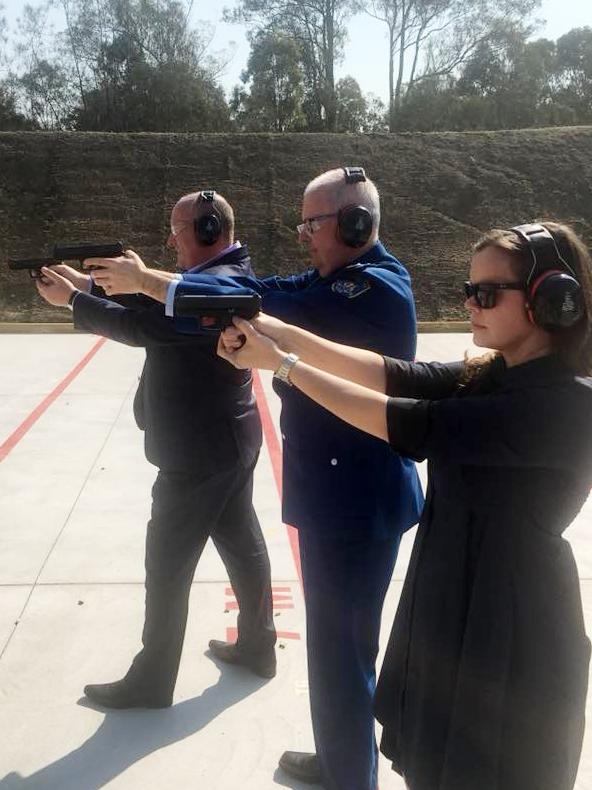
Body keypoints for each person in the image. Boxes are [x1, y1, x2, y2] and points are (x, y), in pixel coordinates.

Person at [217, 220, 592, 790]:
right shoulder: (494, 375)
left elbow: (407, 422)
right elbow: (395, 375)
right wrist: (270, 329)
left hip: (512, 624)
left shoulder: (564, 405)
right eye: (470, 290)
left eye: (487, 293)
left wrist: (282, 366)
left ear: (550, 300)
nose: (471, 303)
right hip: (454, 597)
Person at [82, 167, 424, 790]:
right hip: (338, 493)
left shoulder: (368, 289)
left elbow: (241, 301)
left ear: (354, 224)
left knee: (342, 657)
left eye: (312, 226)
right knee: (333, 651)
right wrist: (142, 284)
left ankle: (350, 775)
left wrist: (143, 280)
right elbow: (256, 290)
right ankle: (341, 753)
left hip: (354, 502)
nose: (304, 239)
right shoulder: (337, 278)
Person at [35, 190, 277, 710]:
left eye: (178, 228)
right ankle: (259, 646)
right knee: (242, 543)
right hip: (223, 443)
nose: (170, 239)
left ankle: (153, 678)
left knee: (166, 564)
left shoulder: (222, 284)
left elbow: (142, 325)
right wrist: (84, 284)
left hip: (198, 454)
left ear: (209, 229)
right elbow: (159, 303)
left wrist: (75, 302)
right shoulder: (215, 278)